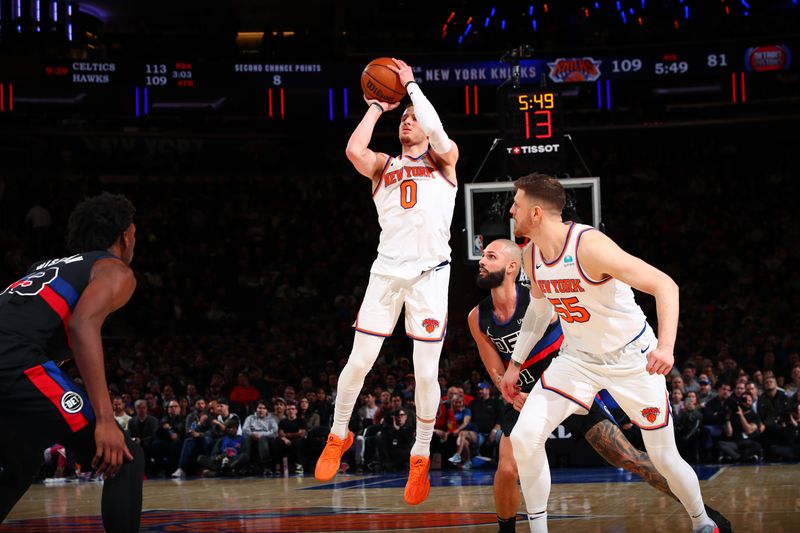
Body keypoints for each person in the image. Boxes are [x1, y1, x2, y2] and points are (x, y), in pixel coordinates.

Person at [500, 174, 720, 533]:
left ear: (536, 213)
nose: (511, 210)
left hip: (632, 358)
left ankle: (703, 523)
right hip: (578, 360)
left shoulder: (589, 246)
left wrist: (665, 347)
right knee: (525, 437)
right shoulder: (530, 255)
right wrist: (515, 364)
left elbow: (665, 285)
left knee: (663, 456)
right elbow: (540, 312)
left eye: (517, 204)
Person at [315, 57, 458, 506]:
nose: (408, 124)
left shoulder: (444, 161)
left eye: (413, 120)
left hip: (431, 277)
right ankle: (338, 433)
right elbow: (354, 152)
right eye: (405, 120)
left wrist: (413, 88)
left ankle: (420, 454)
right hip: (386, 273)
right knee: (359, 362)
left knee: (425, 372)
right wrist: (378, 107)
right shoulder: (383, 165)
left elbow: (436, 129)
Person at [0, 192, 143, 532]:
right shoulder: (114, 270)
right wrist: (105, 420)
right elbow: (82, 325)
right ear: (125, 235)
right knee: (123, 458)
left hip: (11, 356)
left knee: (21, 461)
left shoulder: (44, 268)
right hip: (13, 358)